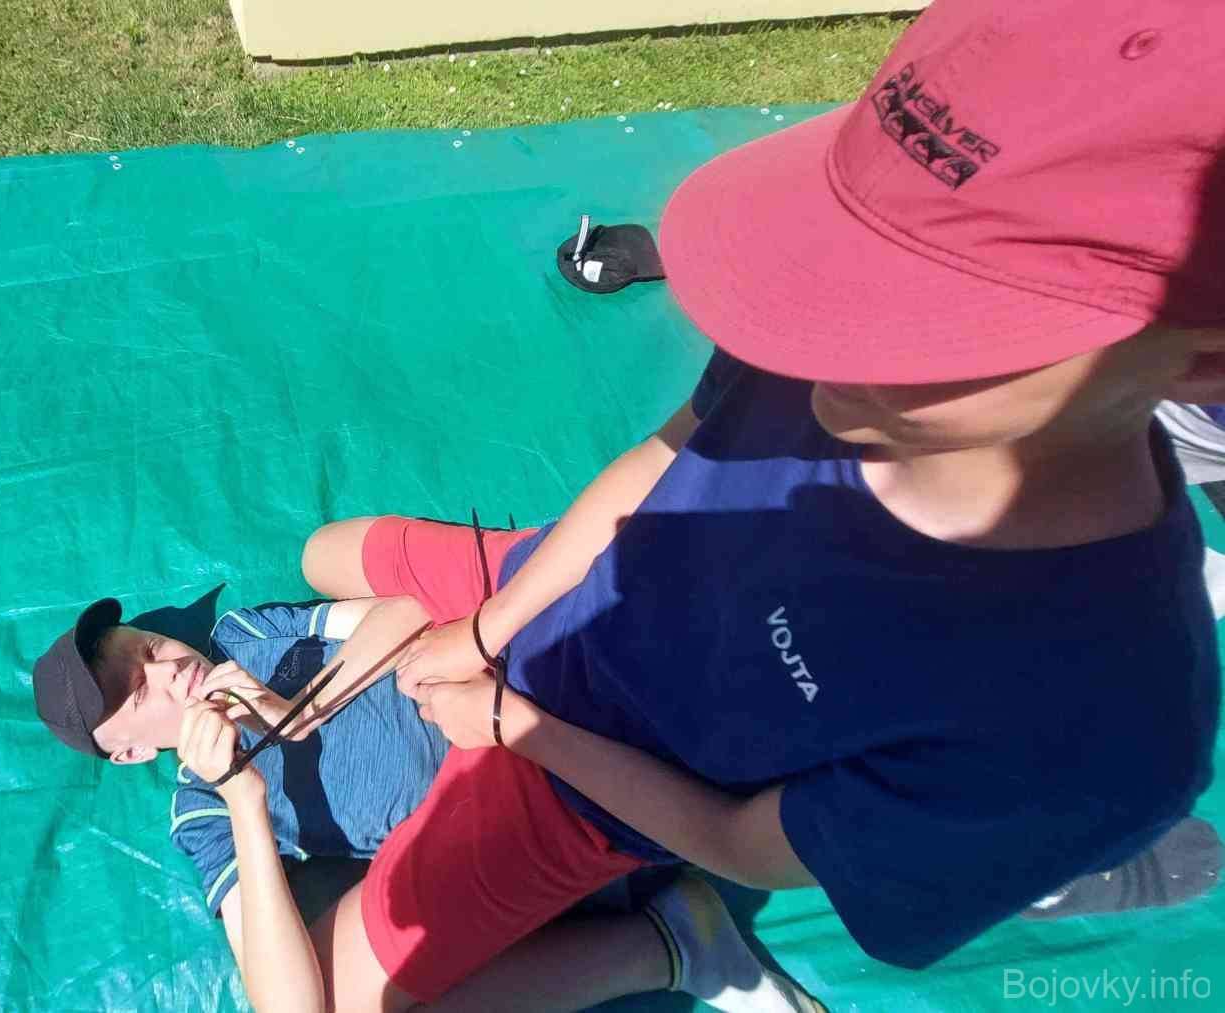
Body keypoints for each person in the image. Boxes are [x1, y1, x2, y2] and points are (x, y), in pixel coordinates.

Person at [287, 2, 1225, 1008]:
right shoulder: (822, 329)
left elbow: (740, 840)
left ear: (1204, 361)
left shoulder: (1093, 727)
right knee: (321, 555)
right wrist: (490, 622)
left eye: (938, 304)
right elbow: (663, 459)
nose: (816, 325)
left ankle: (673, 940)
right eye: (845, 239)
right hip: (566, 584)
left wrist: (514, 722)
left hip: (592, 778)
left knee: (348, 999)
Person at [32, 596, 825, 1013]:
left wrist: (299, 707)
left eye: (148, 648)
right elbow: (293, 1003)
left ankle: (673, 935)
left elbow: (405, 610)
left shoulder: (248, 636)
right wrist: (244, 792)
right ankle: (668, 943)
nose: (167, 668)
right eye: (138, 691)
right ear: (130, 753)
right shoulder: (202, 806)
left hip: (515, 705)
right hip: (486, 822)